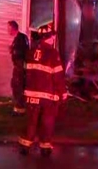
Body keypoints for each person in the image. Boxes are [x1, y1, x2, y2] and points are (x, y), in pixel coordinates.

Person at [19, 22, 65, 157]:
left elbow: (24, 73)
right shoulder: (52, 53)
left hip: (30, 93)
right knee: (47, 121)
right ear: (50, 38)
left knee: (31, 120)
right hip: (47, 94)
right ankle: (45, 147)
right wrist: (62, 92)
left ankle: (25, 146)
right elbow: (57, 75)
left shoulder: (31, 51)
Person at [8, 20, 29, 114]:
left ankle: (19, 108)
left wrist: (13, 51)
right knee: (16, 85)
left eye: (8, 28)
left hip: (20, 66)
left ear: (13, 28)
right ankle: (19, 106)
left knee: (17, 85)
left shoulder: (21, 38)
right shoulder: (20, 38)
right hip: (18, 65)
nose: (7, 30)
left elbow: (22, 52)